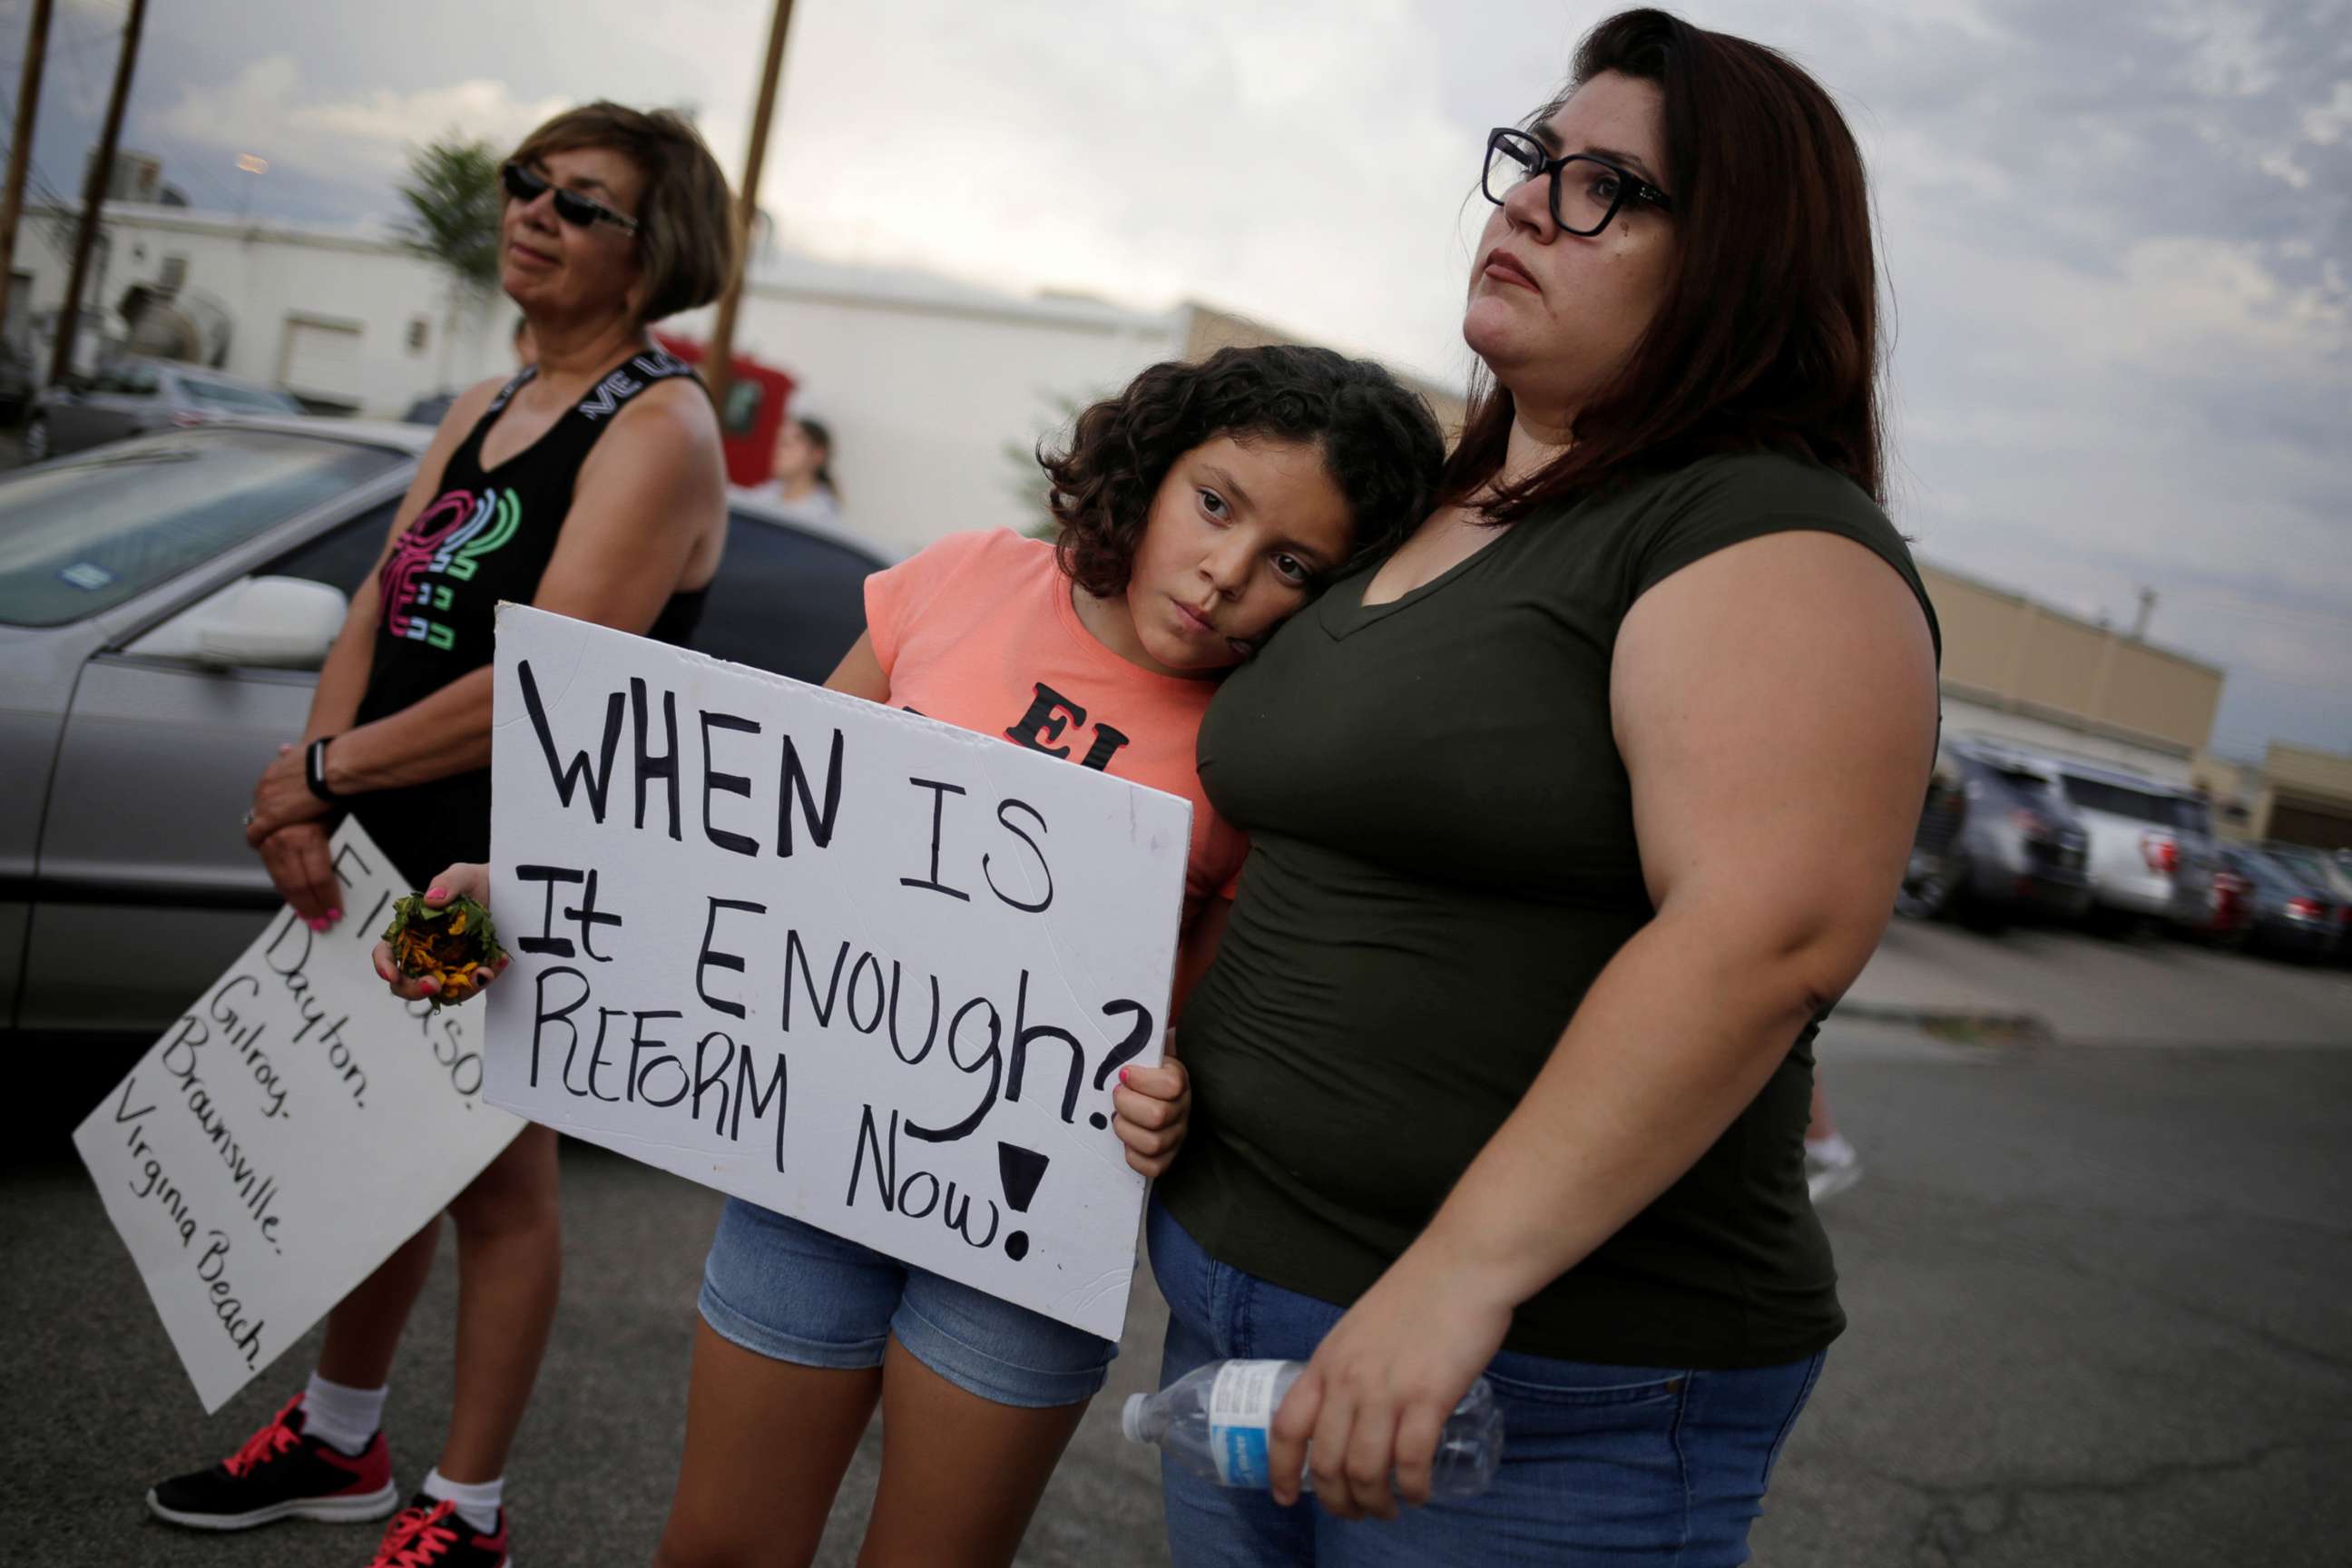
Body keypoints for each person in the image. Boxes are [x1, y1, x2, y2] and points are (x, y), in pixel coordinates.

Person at [382, 344, 1446, 1568]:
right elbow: (757, 834)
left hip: (1027, 1219)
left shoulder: (1270, 748)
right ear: (1153, 470)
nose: (1226, 572)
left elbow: (1204, 1016)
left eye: (1293, 565)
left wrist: (1172, 1096)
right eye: (1216, 504)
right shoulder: (964, 581)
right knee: (719, 1550)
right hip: (811, 1169)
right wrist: (518, 894)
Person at [1148, 10, 1943, 1563]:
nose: (1524, 204)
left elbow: (1765, 931)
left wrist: (1457, 1276)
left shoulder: (1761, 529)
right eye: (1533, 159)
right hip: (1237, 1309)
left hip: (1529, 1383)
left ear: (1741, 261)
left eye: (1610, 190)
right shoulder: (1438, 501)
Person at [149, 101, 740, 1568]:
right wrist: (315, 791)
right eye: (525, 181)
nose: (532, 209)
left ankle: (466, 1512)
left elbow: (541, 673)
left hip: (498, 861)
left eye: (578, 201)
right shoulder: (485, 402)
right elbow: (376, 601)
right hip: (384, 839)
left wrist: (323, 768)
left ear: (648, 251)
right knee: (382, 1143)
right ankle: (343, 1438)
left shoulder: (656, 427)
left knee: (490, 1178)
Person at [745, 412, 842, 529]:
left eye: (787, 444)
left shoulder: (822, 517)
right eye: (778, 444)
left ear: (817, 455)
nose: (778, 452)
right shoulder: (765, 494)